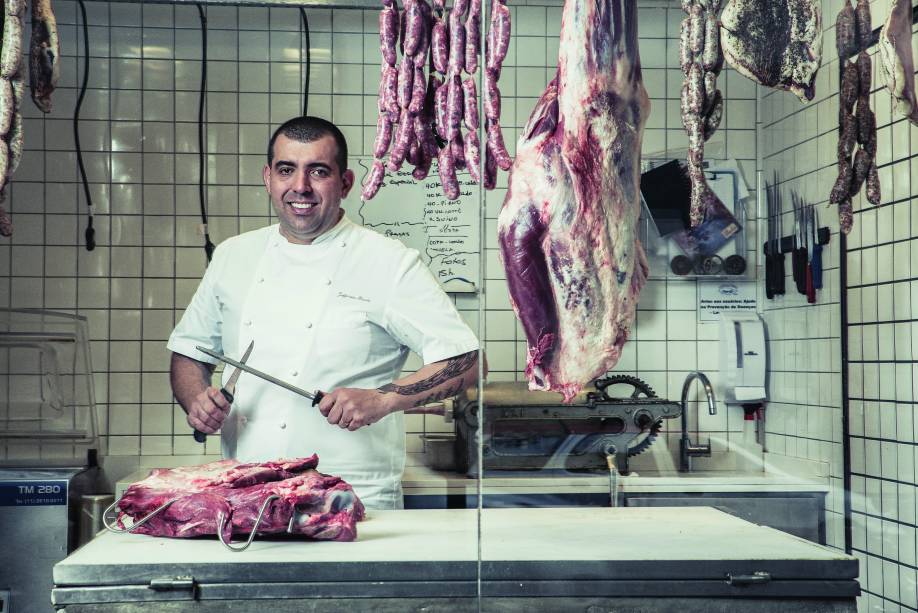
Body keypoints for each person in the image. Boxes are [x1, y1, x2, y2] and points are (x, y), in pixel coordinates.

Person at [167, 116, 482, 510]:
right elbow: (190, 352)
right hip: (247, 494)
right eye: (287, 170)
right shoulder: (233, 256)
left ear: (345, 183)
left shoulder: (388, 262)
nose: (300, 187)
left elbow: (467, 361)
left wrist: (384, 399)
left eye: (318, 171)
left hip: (352, 500)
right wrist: (197, 400)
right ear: (268, 178)